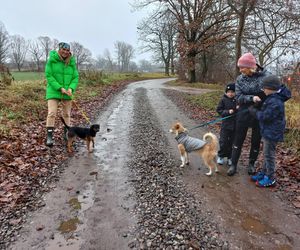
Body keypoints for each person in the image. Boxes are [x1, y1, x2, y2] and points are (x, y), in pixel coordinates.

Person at [227, 52, 270, 176]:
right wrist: (252, 98)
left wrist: (262, 98)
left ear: (251, 66)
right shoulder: (240, 79)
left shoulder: (266, 76)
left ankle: (251, 163)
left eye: (242, 67)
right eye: (239, 67)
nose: (240, 70)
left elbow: (271, 91)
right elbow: (239, 97)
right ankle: (233, 164)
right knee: (238, 138)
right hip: (244, 112)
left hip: (259, 112)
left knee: (256, 139)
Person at [249, 75, 291, 187]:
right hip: (268, 131)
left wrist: (254, 111)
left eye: (264, 88)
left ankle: (270, 178)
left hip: (272, 133)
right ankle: (264, 173)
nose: (262, 90)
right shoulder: (272, 98)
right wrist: (258, 105)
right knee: (266, 154)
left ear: (270, 88)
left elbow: (265, 117)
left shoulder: (276, 101)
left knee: (269, 155)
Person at [45, 42, 79, 146]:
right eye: (63, 50)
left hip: (67, 93)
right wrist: (59, 88)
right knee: (52, 113)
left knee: (67, 114)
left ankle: (67, 135)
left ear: (69, 52)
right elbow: (49, 75)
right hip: (54, 91)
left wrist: (71, 88)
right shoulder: (51, 60)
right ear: (59, 50)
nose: (65, 52)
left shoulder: (71, 62)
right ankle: (49, 137)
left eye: (67, 50)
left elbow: (75, 77)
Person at [216, 83, 237, 166]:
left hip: (235, 126)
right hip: (225, 125)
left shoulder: (237, 100)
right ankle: (221, 156)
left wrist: (237, 109)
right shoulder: (223, 100)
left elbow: (239, 110)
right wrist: (228, 112)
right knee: (223, 141)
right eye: (229, 92)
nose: (230, 93)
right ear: (226, 92)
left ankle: (230, 157)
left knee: (232, 143)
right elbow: (219, 110)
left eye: (232, 92)